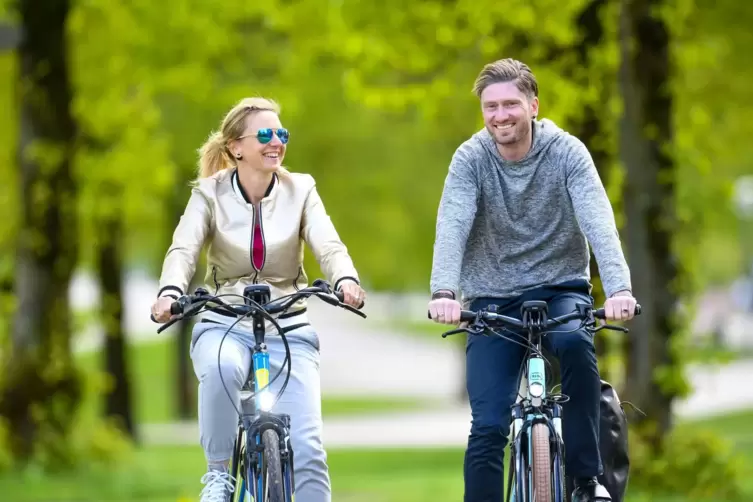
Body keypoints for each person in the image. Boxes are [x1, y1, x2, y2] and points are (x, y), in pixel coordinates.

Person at [427, 58, 638, 502]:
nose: (500, 115)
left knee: (576, 346)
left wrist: (619, 288)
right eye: (490, 107)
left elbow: (599, 222)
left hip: (561, 286)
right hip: (490, 296)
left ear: (533, 105)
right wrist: (444, 291)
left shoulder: (567, 152)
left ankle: (586, 481)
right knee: (487, 424)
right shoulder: (470, 159)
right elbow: (453, 225)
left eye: (510, 104)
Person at [151, 97, 365, 502]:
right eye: (265, 134)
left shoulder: (301, 188)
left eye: (281, 134)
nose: (276, 142)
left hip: (288, 320)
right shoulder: (208, 194)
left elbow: (328, 244)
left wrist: (346, 279)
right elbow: (183, 248)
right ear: (236, 147)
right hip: (224, 319)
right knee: (221, 368)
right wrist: (170, 291)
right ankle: (217, 475)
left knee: (308, 450)